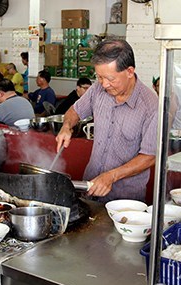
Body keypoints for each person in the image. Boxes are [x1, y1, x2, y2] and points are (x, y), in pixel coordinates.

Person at [55, 39, 158, 203]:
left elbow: (149, 156)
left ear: (129, 71)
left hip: (125, 200)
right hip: (90, 187)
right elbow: (75, 111)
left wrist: (111, 176)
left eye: (110, 78)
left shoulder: (151, 106)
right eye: (99, 77)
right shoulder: (97, 88)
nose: (104, 84)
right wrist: (67, 126)